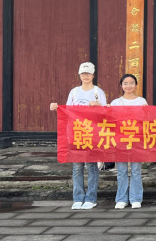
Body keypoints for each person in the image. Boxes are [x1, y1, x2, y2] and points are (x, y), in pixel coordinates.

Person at [50, 61, 106, 210]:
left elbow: (105, 113)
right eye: (83, 74)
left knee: (91, 166)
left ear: (93, 75)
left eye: (88, 73)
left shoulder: (98, 92)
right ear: (79, 75)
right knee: (77, 166)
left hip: (92, 134)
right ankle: (78, 198)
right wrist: (57, 107)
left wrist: (97, 106)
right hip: (76, 133)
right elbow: (67, 110)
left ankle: (91, 198)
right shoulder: (74, 92)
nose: (85, 76)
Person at [110, 73, 148, 209]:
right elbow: (110, 120)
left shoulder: (141, 101)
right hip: (120, 140)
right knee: (121, 170)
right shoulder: (116, 102)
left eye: (131, 83)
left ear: (136, 85)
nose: (128, 86)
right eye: (125, 83)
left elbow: (146, 120)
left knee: (136, 170)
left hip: (136, 139)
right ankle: (121, 198)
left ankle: (136, 198)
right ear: (121, 86)